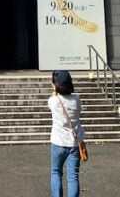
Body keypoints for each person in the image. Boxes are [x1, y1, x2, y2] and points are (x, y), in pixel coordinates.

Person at [48, 69, 85, 197]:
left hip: (58, 142)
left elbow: (53, 99)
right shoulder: (77, 100)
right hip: (74, 143)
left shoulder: (53, 101)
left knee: (56, 172)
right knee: (73, 176)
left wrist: (55, 90)